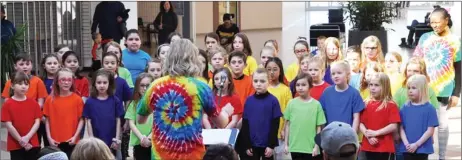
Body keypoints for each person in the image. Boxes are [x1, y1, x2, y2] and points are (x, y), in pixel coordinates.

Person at [136, 39, 234, 159]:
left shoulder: (156, 85)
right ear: (193, 59)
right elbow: (221, 123)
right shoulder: (200, 86)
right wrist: (226, 112)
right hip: (192, 155)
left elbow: (140, 119)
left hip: (161, 156)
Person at [414, 8, 460, 159]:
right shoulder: (424, 38)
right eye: (431, 22)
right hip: (425, 88)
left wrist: (456, 93)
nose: (434, 25)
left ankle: (442, 156)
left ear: (446, 20)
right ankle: (423, 154)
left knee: (442, 124)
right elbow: (416, 61)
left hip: (444, 89)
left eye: (437, 22)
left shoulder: (455, 41)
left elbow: (459, 68)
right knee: (422, 123)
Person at [236, 68, 282, 160]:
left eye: (262, 81)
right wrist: (247, 144)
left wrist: (271, 145)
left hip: (267, 145)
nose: (258, 84)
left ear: (268, 81)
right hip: (252, 145)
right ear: (252, 82)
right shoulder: (249, 101)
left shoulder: (273, 101)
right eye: (256, 81)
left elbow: (275, 125)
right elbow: (245, 123)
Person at [43, 68, 85, 158]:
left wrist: (75, 137)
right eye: (63, 80)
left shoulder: (77, 99)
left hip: (71, 141)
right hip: (55, 141)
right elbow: (47, 120)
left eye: (69, 80)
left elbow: (81, 120)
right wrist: (49, 138)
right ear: (57, 82)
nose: (66, 83)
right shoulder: (50, 99)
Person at [284, 73, 326, 160]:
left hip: (311, 149)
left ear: (310, 86)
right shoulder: (291, 103)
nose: (300, 87)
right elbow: (287, 125)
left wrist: (316, 146)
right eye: (298, 85)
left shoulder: (316, 105)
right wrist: (286, 144)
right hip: (295, 147)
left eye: (303, 85)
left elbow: (319, 128)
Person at [359, 73, 401, 160]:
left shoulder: (391, 105)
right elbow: (360, 123)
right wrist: (368, 135)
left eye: (376, 85)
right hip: (367, 146)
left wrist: (376, 133)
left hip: (384, 148)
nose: (372, 88)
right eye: (371, 85)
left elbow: (393, 126)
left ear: (385, 87)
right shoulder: (366, 103)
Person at [83, 69, 124, 157]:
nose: (102, 85)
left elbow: (118, 120)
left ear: (109, 84)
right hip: (97, 140)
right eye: (99, 82)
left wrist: (116, 138)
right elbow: (88, 122)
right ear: (94, 84)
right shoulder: (90, 101)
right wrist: (92, 139)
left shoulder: (115, 100)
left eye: (105, 82)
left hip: (111, 140)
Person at [1, 72, 42, 160]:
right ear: (12, 85)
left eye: (26, 84)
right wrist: (21, 141)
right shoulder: (7, 104)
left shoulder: (33, 103)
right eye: (20, 84)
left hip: (32, 142)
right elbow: (9, 125)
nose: (23, 86)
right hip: (15, 143)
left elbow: (37, 122)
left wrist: (27, 137)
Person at [399, 74, 439, 160]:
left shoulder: (430, 108)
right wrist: (406, 144)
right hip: (407, 148)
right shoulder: (404, 108)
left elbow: (430, 131)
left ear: (422, 90)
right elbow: (401, 128)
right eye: (409, 88)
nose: (410, 91)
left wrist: (417, 144)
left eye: (413, 88)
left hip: (422, 148)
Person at [319, 60, 364, 130]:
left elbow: (356, 117)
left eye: (339, 73)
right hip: (330, 134)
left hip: (347, 135)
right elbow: (321, 114)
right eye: (333, 74)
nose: (335, 76)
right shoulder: (327, 92)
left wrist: (353, 135)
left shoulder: (354, 93)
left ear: (348, 75)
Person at [125, 73, 155, 160]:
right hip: (139, 142)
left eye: (148, 85)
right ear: (137, 87)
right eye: (142, 85)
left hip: (154, 141)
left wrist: (149, 138)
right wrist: (142, 138)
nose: (145, 88)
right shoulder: (134, 104)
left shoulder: (158, 102)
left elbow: (159, 123)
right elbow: (131, 123)